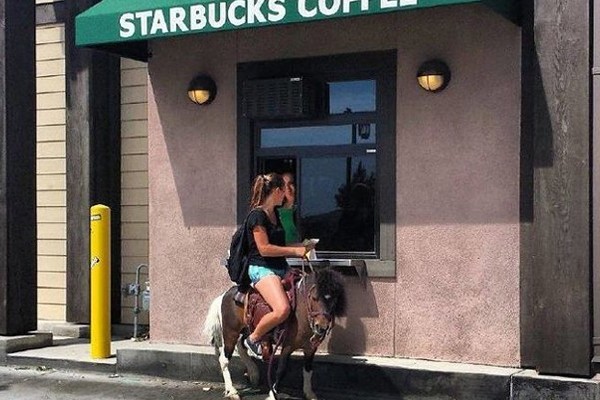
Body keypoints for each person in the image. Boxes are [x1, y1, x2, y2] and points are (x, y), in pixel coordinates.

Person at [243, 173, 313, 359]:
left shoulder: (275, 214)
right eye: (283, 191)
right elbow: (264, 249)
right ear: (276, 191)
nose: (286, 195)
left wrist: (303, 247)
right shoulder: (257, 216)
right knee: (282, 309)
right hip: (261, 268)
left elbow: (282, 243)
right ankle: (253, 338)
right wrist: (294, 252)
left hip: (280, 266)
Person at [277, 172, 300, 245]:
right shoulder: (276, 213)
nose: (288, 187)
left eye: (290, 183)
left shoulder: (303, 210)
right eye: (284, 184)